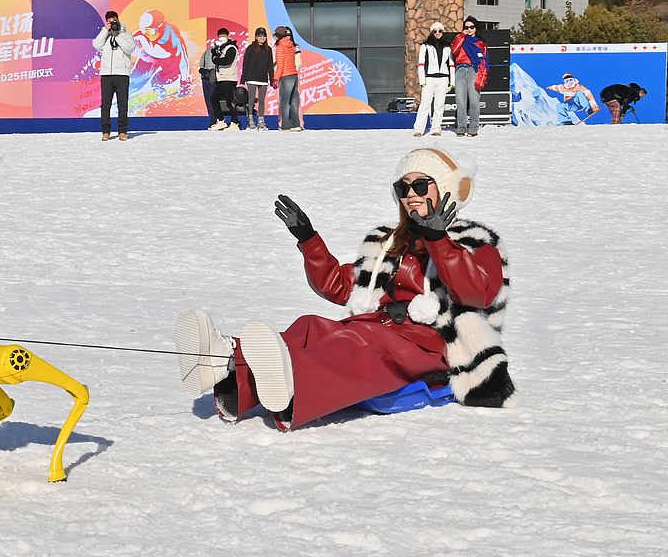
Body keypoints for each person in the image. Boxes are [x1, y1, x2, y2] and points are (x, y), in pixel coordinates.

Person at [174, 147, 515, 431]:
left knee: (357, 343)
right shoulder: (389, 242)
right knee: (311, 326)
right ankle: (229, 364)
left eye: (421, 185)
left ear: (445, 190)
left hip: (431, 345)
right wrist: (309, 240)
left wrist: (439, 240)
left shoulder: (474, 242)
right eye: (403, 188)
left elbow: (475, 293)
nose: (411, 194)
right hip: (377, 330)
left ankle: (291, 381)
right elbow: (340, 287)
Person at [92, 10, 136, 141]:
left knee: (123, 104)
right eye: (109, 21)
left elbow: (129, 48)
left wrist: (118, 34)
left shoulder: (127, 35)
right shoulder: (105, 36)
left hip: (122, 74)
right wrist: (105, 31)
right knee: (105, 105)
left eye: (114, 20)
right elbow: (96, 45)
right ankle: (106, 132)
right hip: (106, 74)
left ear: (118, 19)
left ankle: (122, 131)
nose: (112, 23)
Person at [449, 16, 488, 137]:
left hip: (473, 70)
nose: (469, 29)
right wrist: (462, 35)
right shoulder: (460, 38)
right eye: (467, 27)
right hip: (460, 69)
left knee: (474, 101)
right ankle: (461, 127)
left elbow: (483, 61)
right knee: (460, 101)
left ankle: (474, 128)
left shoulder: (480, 43)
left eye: (471, 27)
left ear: (476, 28)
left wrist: (481, 77)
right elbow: (454, 50)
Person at [413, 21, 453, 137]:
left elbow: (451, 64)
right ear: (431, 32)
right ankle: (419, 129)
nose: (437, 33)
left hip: (443, 79)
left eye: (440, 31)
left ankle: (436, 128)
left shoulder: (447, 46)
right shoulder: (426, 46)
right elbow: (421, 63)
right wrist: (422, 81)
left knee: (439, 105)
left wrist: (452, 81)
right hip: (429, 78)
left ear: (443, 32)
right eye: (435, 31)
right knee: (425, 104)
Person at [240, 26, 274, 131]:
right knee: (251, 100)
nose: (262, 37)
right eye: (260, 35)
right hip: (251, 77)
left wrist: (272, 80)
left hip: (263, 79)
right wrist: (242, 80)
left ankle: (261, 121)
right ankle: (250, 120)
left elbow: (270, 66)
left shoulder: (269, 49)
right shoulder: (251, 48)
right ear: (256, 37)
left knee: (262, 100)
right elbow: (245, 64)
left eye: (264, 35)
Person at [209, 27, 240, 131]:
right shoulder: (221, 48)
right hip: (221, 78)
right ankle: (221, 120)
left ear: (228, 36)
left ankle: (235, 122)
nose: (222, 38)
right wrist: (214, 52)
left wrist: (216, 59)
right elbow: (215, 59)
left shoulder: (231, 47)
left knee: (230, 101)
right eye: (220, 36)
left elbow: (227, 61)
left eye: (224, 36)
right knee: (214, 99)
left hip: (229, 78)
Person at [273, 26, 301, 132]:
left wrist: (276, 78)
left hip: (285, 76)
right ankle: (296, 125)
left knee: (284, 103)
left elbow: (280, 65)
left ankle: (285, 126)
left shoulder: (280, 47)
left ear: (277, 36)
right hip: (294, 74)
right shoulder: (291, 46)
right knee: (293, 102)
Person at [198, 40, 218, 129]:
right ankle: (213, 121)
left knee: (210, 101)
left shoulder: (206, 52)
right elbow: (201, 66)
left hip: (209, 79)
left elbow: (201, 67)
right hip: (209, 78)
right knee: (210, 101)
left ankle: (214, 121)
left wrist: (204, 72)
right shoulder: (207, 52)